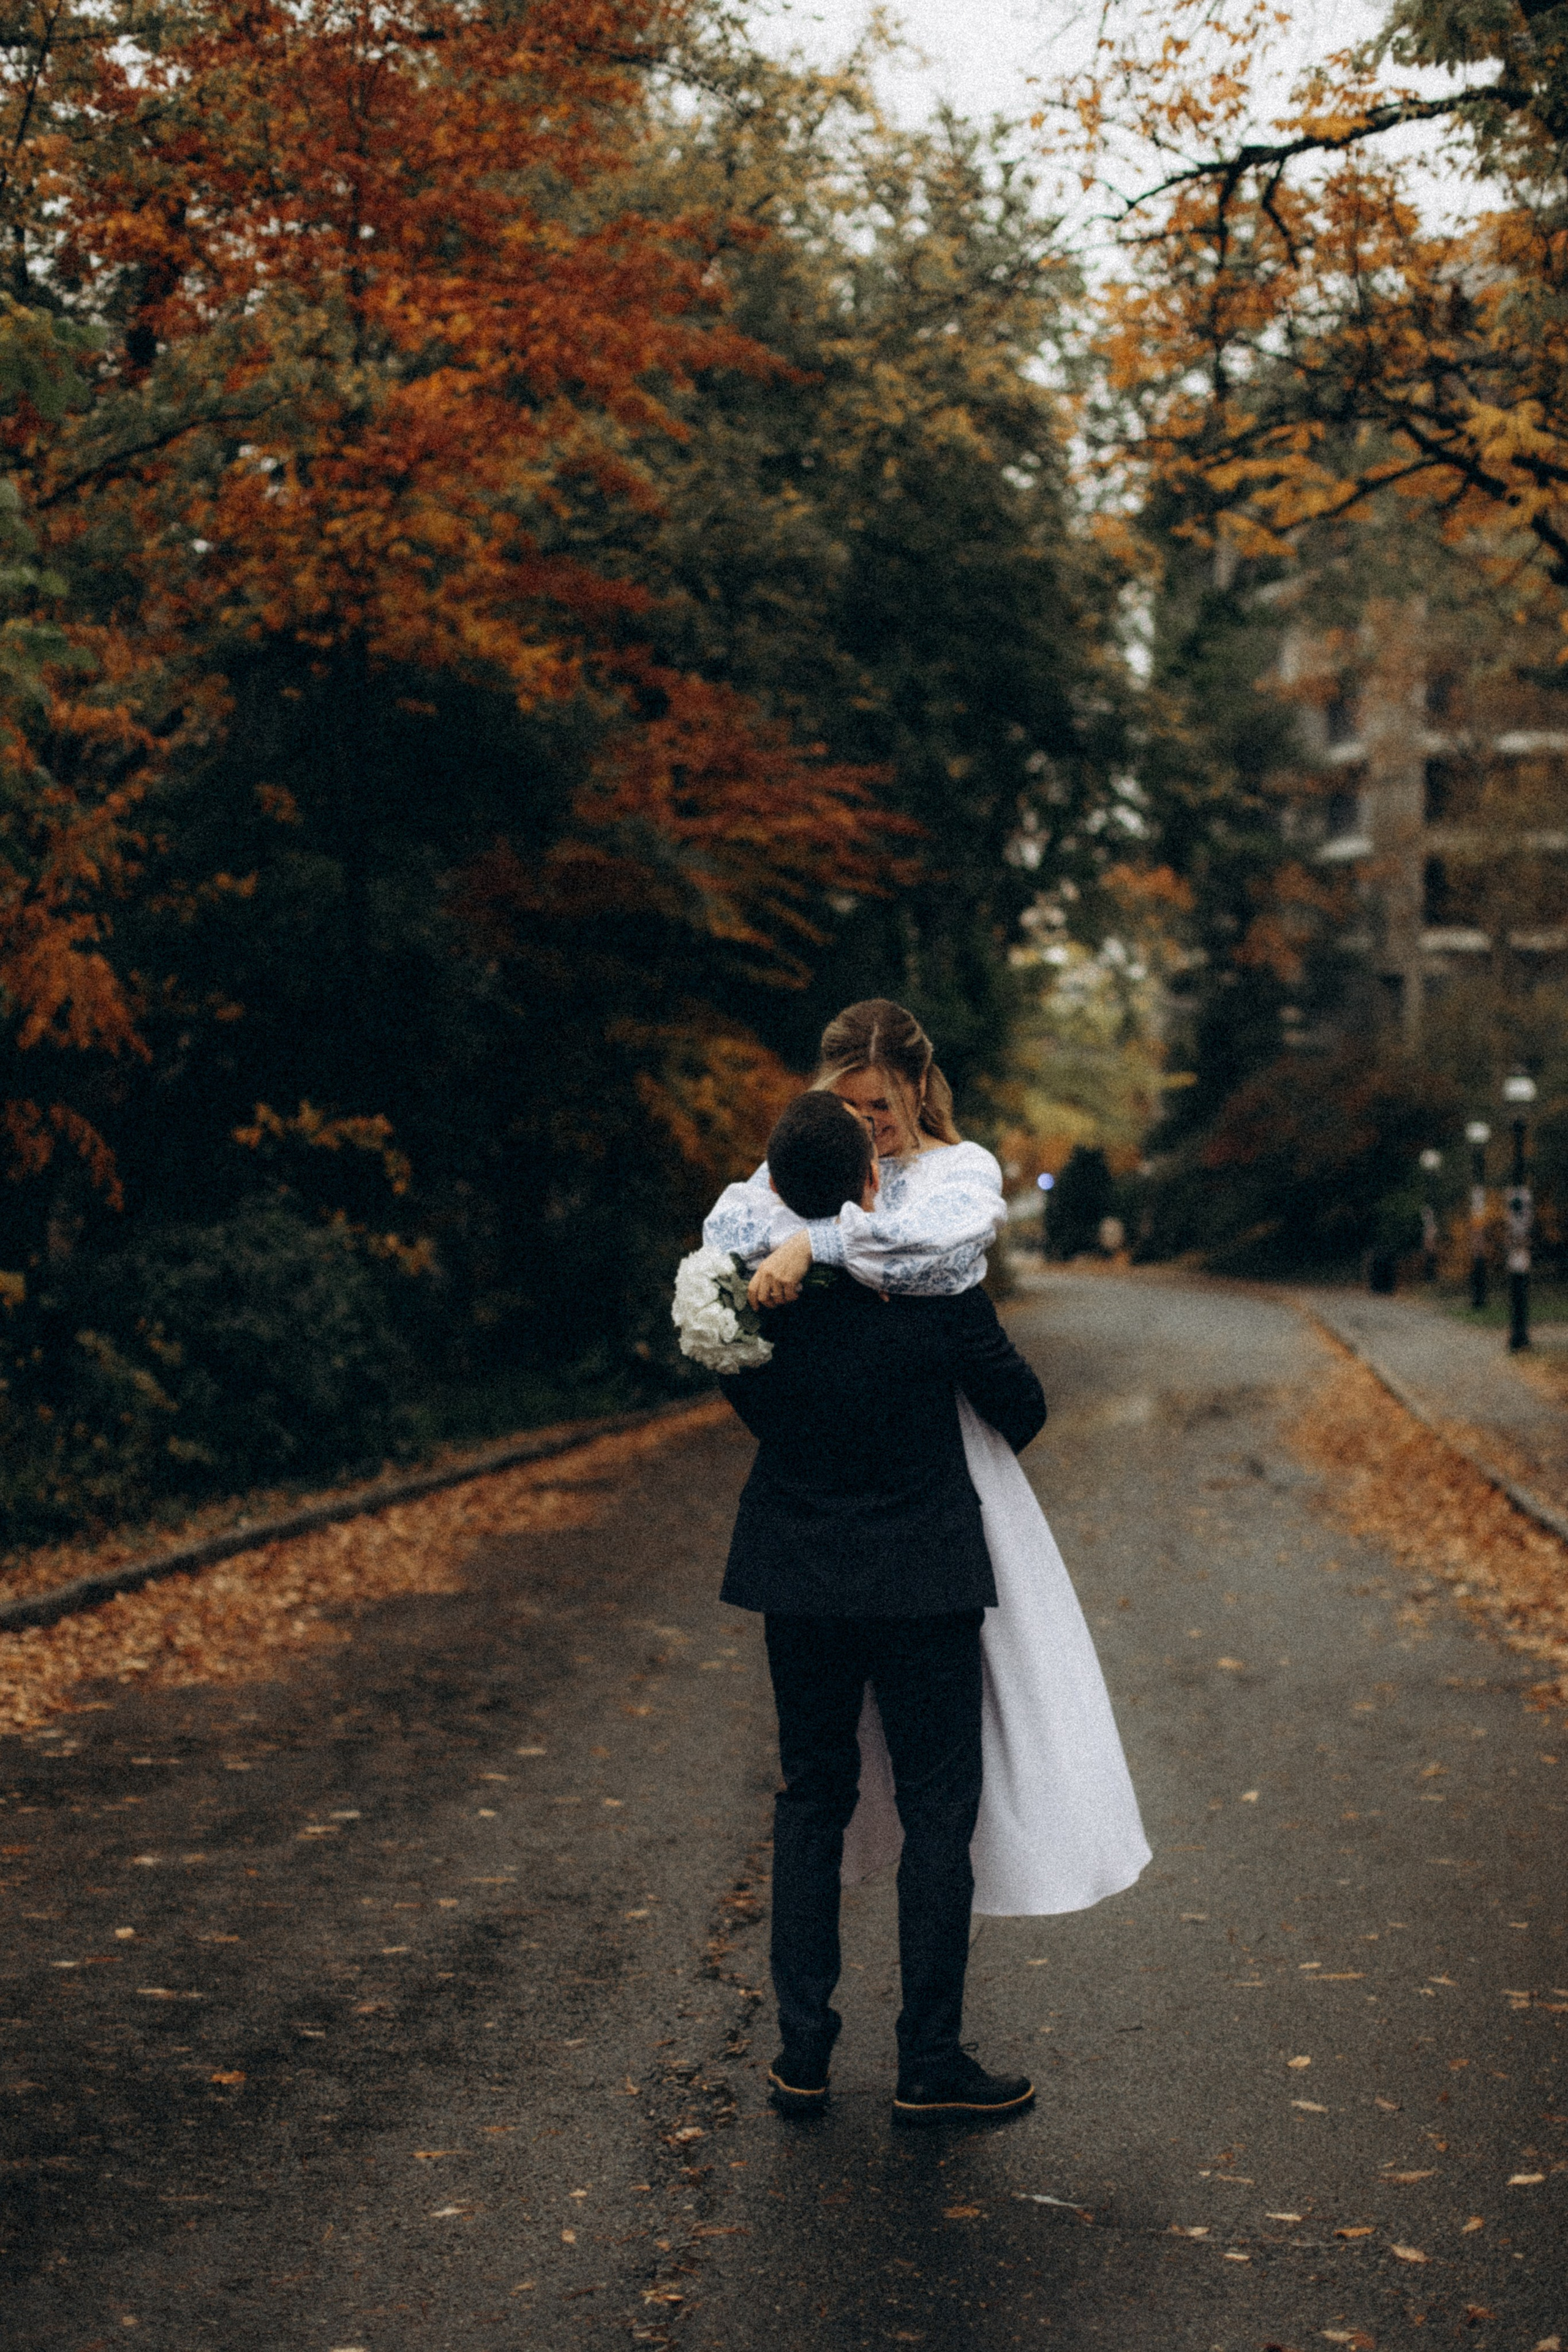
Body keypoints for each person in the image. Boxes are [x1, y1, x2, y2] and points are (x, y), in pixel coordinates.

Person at [705, 998, 1150, 1920]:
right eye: (851, 1105)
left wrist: (815, 1241)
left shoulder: (959, 1173)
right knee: (855, 1779)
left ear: (917, 1086)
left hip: (934, 1484)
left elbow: (941, 1256)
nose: (869, 1124)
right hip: (865, 1506)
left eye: (882, 1104)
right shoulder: (789, 1171)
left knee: (938, 1762)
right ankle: (859, 2010)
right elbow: (729, 1253)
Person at [718, 1087, 1047, 2124]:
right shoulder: (936, 1286)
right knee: (937, 1809)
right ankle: (928, 2063)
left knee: (812, 1796)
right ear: (873, 1183)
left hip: (800, 1572)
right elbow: (1022, 1406)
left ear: (776, 1188)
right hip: (923, 1575)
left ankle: (802, 2056)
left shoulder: (751, 1292)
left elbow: (754, 1401)